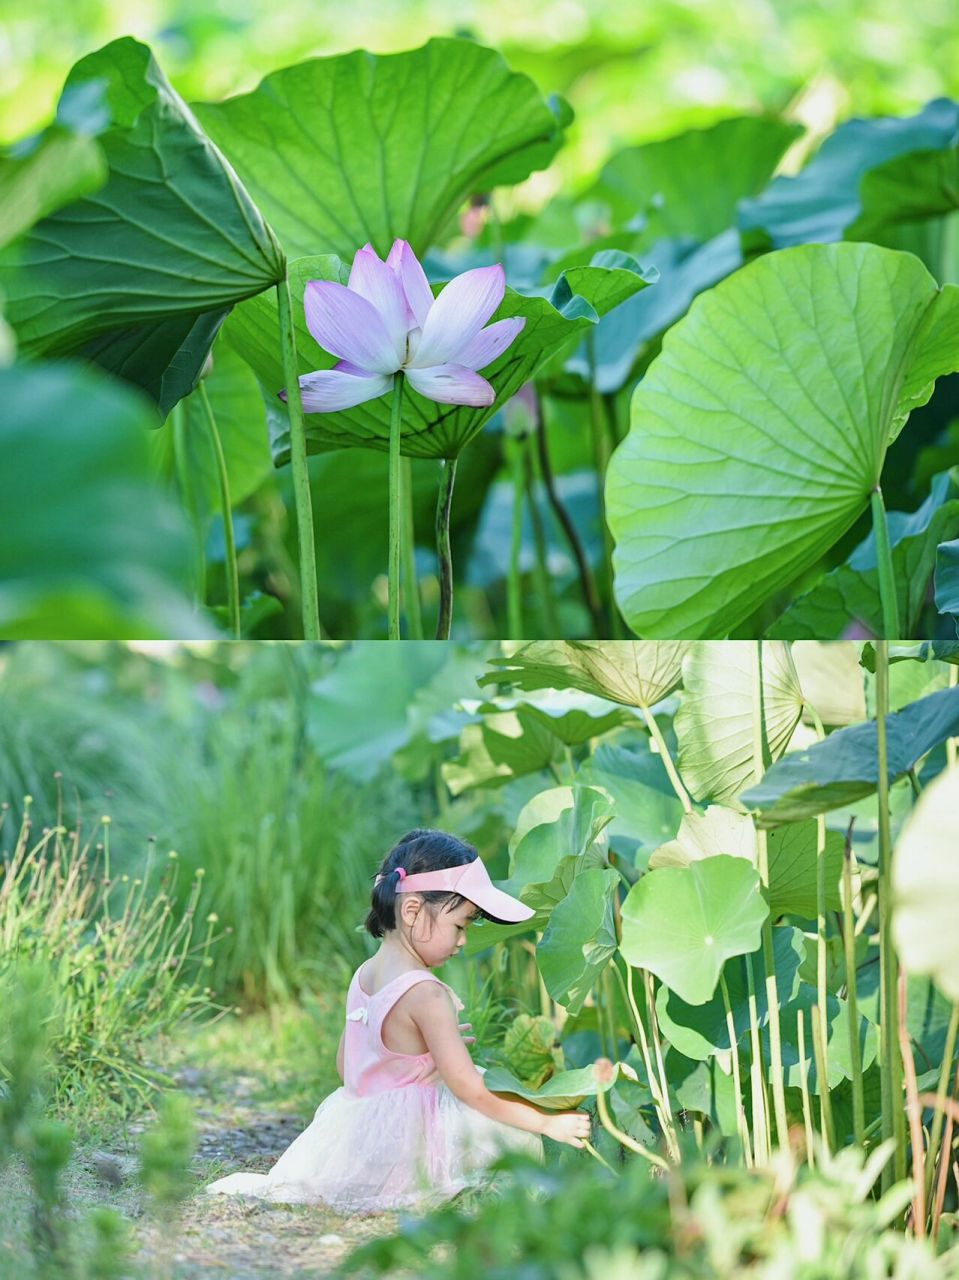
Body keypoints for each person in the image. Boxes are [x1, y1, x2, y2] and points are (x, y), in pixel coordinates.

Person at [205, 828, 590, 1213]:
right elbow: (469, 1089)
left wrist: (423, 1056)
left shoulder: (364, 976)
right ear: (412, 912)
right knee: (514, 1136)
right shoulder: (428, 994)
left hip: (356, 1136)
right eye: (461, 925)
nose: (462, 941)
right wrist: (544, 1123)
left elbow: (348, 1067)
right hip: (413, 1141)